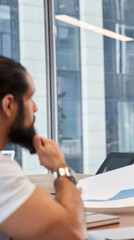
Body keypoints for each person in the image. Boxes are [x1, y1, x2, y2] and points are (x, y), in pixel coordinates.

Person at [0, 56, 86, 239]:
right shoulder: (2, 172)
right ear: (9, 105)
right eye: (29, 98)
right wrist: (60, 168)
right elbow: (73, 234)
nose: (36, 108)